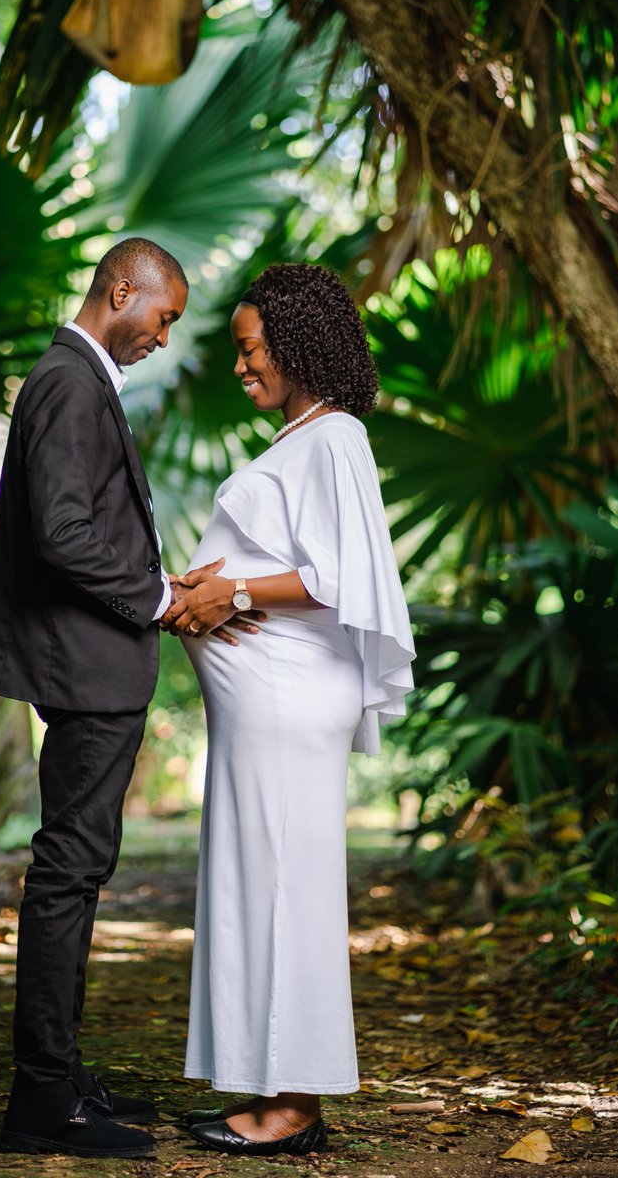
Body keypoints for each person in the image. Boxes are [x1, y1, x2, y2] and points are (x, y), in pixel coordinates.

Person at [0, 237, 245, 1160]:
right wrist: (164, 596)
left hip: (92, 666)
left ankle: (59, 1071)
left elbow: (80, 528)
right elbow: (61, 534)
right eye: (163, 316)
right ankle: (43, 1096)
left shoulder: (75, 381)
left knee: (75, 875)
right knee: (67, 877)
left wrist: (158, 579)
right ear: (120, 290)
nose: (164, 337)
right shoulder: (69, 382)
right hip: (87, 673)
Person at [161, 262, 416, 1157]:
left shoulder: (335, 437)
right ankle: (268, 1086)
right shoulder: (303, 437)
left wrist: (230, 595)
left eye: (249, 347)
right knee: (255, 887)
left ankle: (294, 1107)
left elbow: (342, 579)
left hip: (289, 701)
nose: (241, 366)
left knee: (285, 890)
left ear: (299, 341)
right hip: (261, 709)